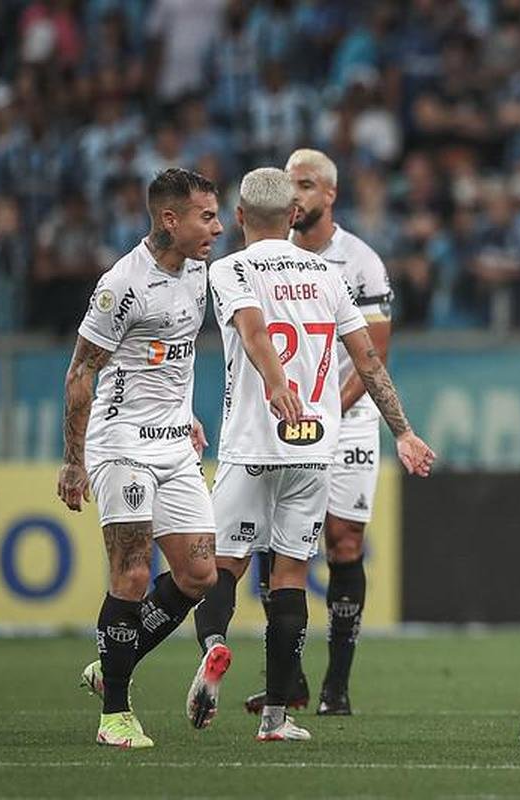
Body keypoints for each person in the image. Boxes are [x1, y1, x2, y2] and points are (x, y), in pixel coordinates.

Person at [187, 167, 434, 742]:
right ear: (293, 216)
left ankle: (215, 645)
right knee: (292, 572)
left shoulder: (227, 269)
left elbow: (252, 334)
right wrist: (403, 431)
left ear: (241, 217)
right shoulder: (327, 273)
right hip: (315, 444)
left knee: (222, 567)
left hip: (252, 442)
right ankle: (276, 717)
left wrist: (275, 385)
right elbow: (368, 360)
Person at [58, 168, 225, 749]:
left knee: (200, 574)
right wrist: (74, 461)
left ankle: (111, 664)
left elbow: (170, 358)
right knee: (131, 574)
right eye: (207, 216)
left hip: (177, 443)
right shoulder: (122, 285)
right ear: (170, 219)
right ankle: (115, 714)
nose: (218, 226)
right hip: (123, 442)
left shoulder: (199, 270)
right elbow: (82, 372)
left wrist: (188, 413)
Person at [240, 149, 396, 717]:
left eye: (305, 184)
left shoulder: (361, 263)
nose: (295, 195)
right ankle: (291, 678)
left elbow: (374, 354)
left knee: (344, 542)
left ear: (330, 194)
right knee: (270, 541)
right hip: (278, 424)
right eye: (288, 185)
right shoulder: (259, 261)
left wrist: (324, 414)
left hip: (346, 423)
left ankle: (338, 683)